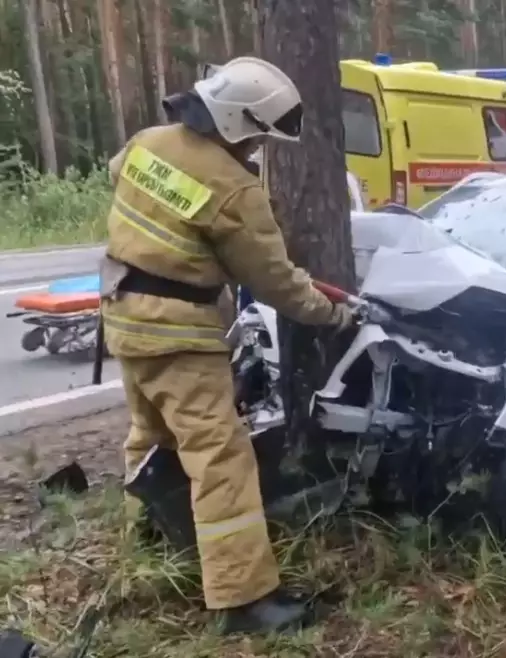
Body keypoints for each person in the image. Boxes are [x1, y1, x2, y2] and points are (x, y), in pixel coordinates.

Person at [99, 56, 354, 634]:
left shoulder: (147, 142)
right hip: (177, 334)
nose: (258, 150)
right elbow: (276, 282)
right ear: (239, 123)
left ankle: (146, 544)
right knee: (221, 460)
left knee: (149, 436)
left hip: (122, 315)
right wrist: (331, 314)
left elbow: (123, 183)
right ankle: (244, 601)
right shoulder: (235, 189)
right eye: (258, 135)